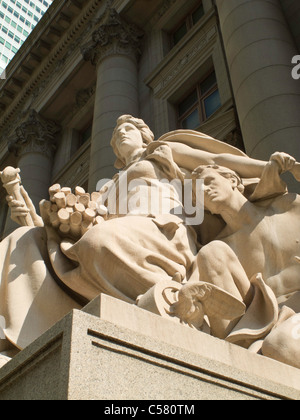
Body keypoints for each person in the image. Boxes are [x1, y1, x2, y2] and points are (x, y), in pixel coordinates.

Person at [1, 114, 298, 364]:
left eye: (126, 130)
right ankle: (18, 342)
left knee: (98, 242)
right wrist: (32, 218)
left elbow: (216, 159)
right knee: (22, 240)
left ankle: (169, 307)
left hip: (163, 232)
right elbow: (79, 225)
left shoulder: (161, 151)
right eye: (115, 136)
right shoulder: (108, 186)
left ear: (144, 135)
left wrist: (271, 167)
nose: (120, 136)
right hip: (123, 233)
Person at [177, 156, 300, 368]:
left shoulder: (288, 206)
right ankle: (236, 360)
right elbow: (194, 289)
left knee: (281, 345)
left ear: (233, 180)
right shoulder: (220, 249)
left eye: (208, 182)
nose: (204, 192)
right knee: (211, 253)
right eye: (198, 193)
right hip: (265, 321)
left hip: (290, 323)